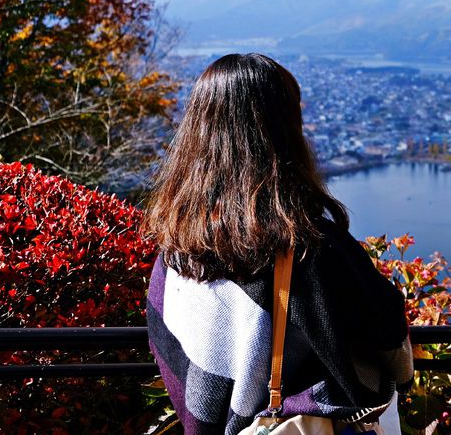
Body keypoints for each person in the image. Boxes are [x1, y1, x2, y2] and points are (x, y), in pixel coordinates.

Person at [145, 53, 413, 435]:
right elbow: (388, 336)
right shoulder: (311, 248)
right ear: (284, 131)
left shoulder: (175, 246)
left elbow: (170, 346)